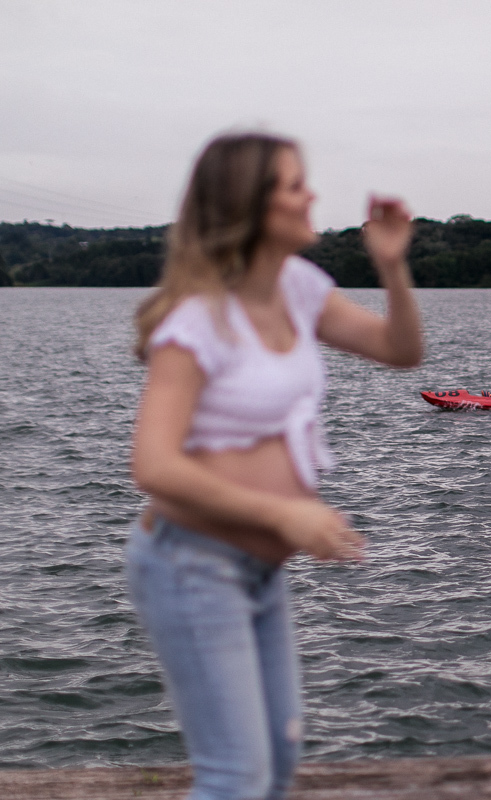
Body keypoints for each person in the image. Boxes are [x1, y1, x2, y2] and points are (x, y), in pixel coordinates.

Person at [126, 132, 422, 800]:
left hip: (258, 571)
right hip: (190, 563)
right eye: (294, 184)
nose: (312, 194)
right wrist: (285, 512)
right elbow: (152, 466)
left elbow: (401, 351)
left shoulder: (298, 288)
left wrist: (393, 267)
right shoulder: (196, 321)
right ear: (252, 206)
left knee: (275, 773)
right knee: (236, 779)